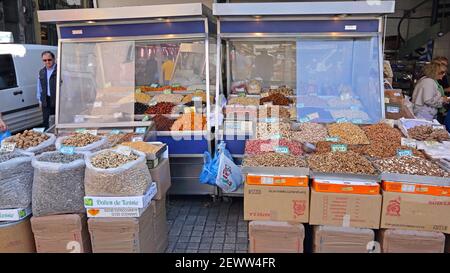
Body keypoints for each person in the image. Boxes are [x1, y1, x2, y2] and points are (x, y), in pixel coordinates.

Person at [37, 51, 57, 129]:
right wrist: (39, 100)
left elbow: (67, 85)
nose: (47, 62)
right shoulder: (41, 72)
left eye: (49, 59)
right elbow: (39, 87)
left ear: (54, 59)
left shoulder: (59, 70)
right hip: (46, 100)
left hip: (57, 100)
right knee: (46, 121)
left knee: (57, 121)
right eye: (45, 60)